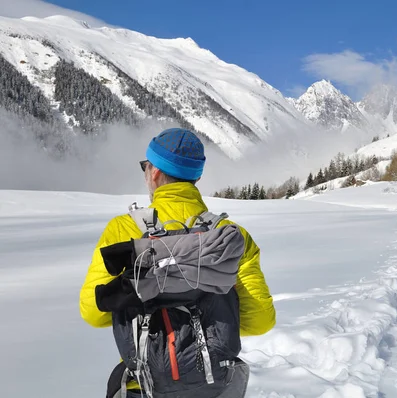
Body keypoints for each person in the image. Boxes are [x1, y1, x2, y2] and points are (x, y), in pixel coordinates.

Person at [79, 128, 276, 397]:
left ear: (155, 172)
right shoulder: (230, 235)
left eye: (145, 167)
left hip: (145, 386)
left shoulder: (123, 230)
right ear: (196, 176)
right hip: (211, 385)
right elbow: (260, 321)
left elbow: (94, 311)